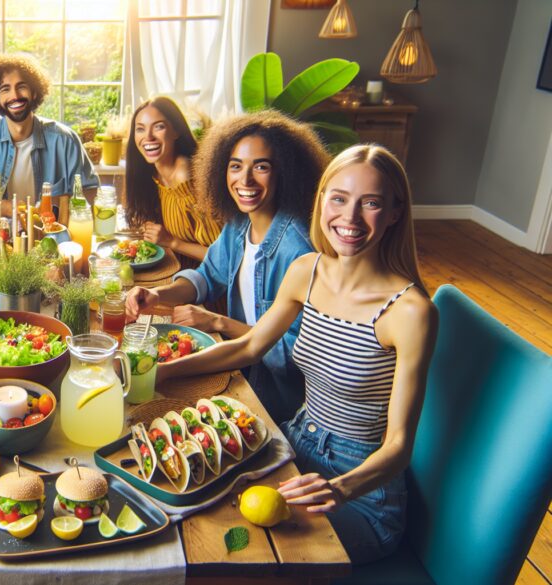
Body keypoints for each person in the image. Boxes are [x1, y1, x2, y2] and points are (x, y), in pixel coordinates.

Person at [158, 144, 438, 564]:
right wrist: (160, 374)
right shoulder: (306, 270)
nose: (349, 217)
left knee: (244, 551)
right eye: (339, 198)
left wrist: (338, 489)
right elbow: (249, 346)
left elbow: (399, 446)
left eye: (372, 203)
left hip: (361, 491)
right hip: (293, 442)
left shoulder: (411, 312)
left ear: (396, 212)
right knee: (193, 503)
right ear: (322, 199)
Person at [126, 110, 330, 421]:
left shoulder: (298, 248)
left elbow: (295, 355)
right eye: (236, 166)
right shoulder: (238, 225)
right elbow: (207, 276)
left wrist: (218, 323)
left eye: (260, 167)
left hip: (275, 399)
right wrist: (159, 296)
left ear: (285, 172)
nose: (244, 179)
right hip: (238, 369)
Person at [0, 52, 98, 220]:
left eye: (22, 86)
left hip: (53, 240)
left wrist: (56, 205)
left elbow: (92, 194)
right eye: (5, 89)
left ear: (34, 92)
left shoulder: (65, 140)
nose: (15, 96)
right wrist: (3, 207)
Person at [124, 96, 219, 267]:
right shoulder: (154, 174)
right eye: (140, 129)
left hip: (208, 282)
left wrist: (172, 242)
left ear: (176, 131)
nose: (148, 137)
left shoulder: (187, 176)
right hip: (174, 269)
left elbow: (224, 257)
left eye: (158, 127)